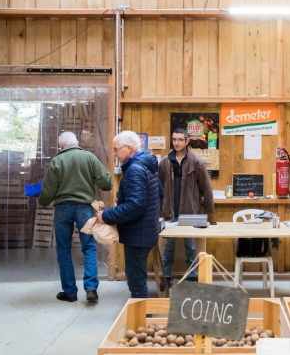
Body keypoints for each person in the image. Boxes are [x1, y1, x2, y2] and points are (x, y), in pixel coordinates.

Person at [39, 131, 112, 303]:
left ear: (60, 146)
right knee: (89, 247)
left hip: (63, 209)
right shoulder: (89, 157)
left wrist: (43, 200)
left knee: (64, 249)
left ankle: (70, 292)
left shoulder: (57, 160)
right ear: (77, 142)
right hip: (85, 209)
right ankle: (91, 288)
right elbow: (106, 183)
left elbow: (48, 191)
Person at [97, 131, 163, 298]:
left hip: (138, 234)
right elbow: (159, 195)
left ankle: (142, 319)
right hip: (146, 230)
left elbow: (135, 205)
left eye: (116, 149)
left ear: (128, 149)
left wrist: (106, 216)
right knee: (137, 278)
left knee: (136, 281)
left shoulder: (135, 170)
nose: (114, 153)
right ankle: (141, 315)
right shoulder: (147, 166)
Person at [158, 127, 215, 291]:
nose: (176, 143)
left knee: (191, 246)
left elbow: (207, 189)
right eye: (174, 139)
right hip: (169, 214)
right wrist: (158, 212)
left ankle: (192, 275)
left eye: (180, 140)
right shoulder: (164, 162)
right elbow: (158, 188)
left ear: (187, 141)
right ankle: (165, 276)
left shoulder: (196, 162)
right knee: (168, 246)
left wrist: (210, 214)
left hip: (190, 214)